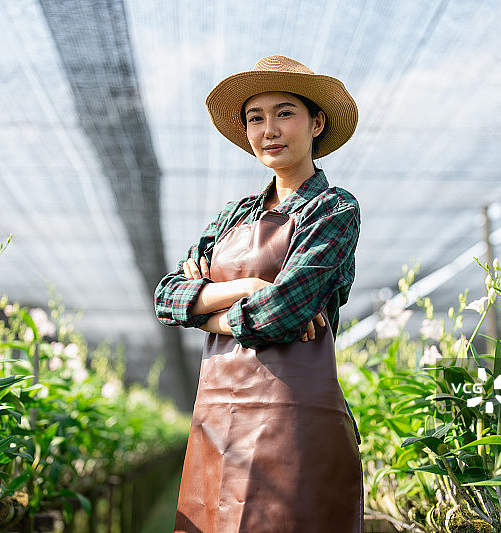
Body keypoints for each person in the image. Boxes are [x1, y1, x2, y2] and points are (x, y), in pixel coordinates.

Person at [154, 55, 363, 533]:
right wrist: (247, 287)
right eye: (255, 118)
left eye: (285, 113)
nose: (269, 130)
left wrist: (208, 308)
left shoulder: (333, 209)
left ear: (317, 123)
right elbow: (166, 296)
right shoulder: (232, 215)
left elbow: (284, 311)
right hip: (216, 419)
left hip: (295, 421)